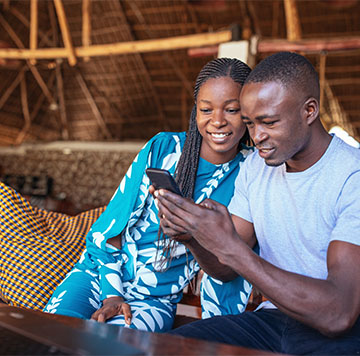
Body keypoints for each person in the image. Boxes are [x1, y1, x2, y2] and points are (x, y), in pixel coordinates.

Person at [155, 51, 360, 353]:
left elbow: (338, 314)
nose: (257, 136)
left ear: (310, 111)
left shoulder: (351, 176)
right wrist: (193, 237)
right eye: (250, 123)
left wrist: (231, 248)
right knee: (165, 349)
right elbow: (226, 268)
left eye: (269, 122)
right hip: (273, 321)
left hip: (343, 334)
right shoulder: (257, 168)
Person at [43, 57, 256, 332]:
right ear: (196, 111)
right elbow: (114, 227)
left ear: (249, 110)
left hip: (153, 300)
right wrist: (113, 295)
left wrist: (191, 235)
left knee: (109, 345)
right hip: (100, 276)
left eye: (232, 109)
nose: (217, 121)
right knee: (52, 333)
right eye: (206, 109)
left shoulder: (250, 172)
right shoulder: (163, 148)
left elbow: (230, 262)